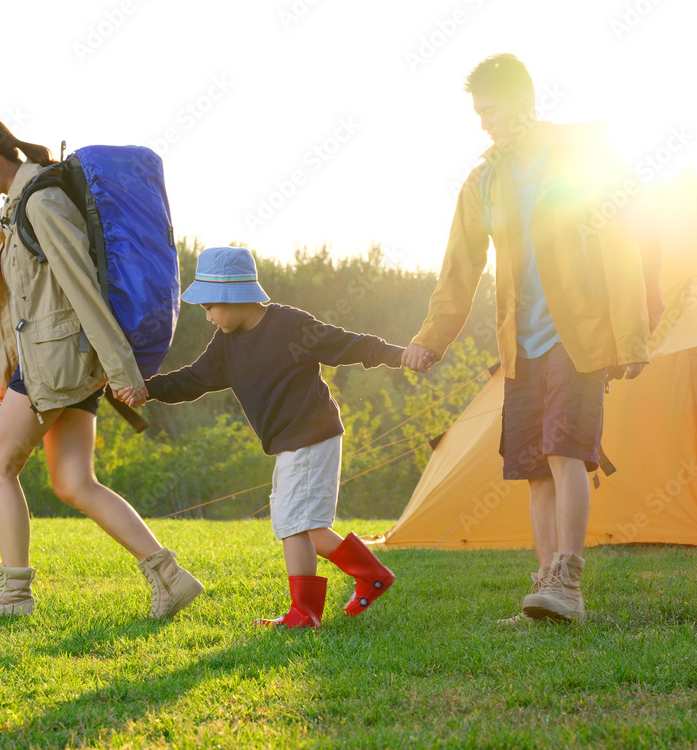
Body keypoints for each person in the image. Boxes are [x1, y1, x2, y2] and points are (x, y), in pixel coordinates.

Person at [401, 54, 660, 624]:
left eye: (489, 110)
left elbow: (622, 249)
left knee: (566, 449)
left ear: (519, 103)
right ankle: (545, 587)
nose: (483, 122)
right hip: (521, 344)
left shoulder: (582, 161)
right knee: (534, 464)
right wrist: (433, 337)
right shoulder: (485, 179)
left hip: (580, 335)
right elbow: (459, 266)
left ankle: (569, 580)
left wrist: (631, 337)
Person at [0, 113, 203, 618]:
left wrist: (124, 370)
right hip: (62, 360)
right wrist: (0, 368)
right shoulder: (24, 205)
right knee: (73, 482)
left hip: (56, 364)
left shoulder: (42, 203)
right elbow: (26, 304)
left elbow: (81, 289)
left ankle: (15, 593)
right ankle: (170, 576)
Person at [119, 246, 403, 629]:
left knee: (293, 524)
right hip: (293, 442)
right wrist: (149, 390)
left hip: (310, 435)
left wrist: (397, 355)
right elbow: (193, 379)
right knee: (307, 526)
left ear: (232, 296)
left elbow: (345, 344)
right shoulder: (227, 343)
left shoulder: (290, 326)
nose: (207, 316)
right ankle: (370, 575)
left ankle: (305, 614)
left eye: (209, 306)